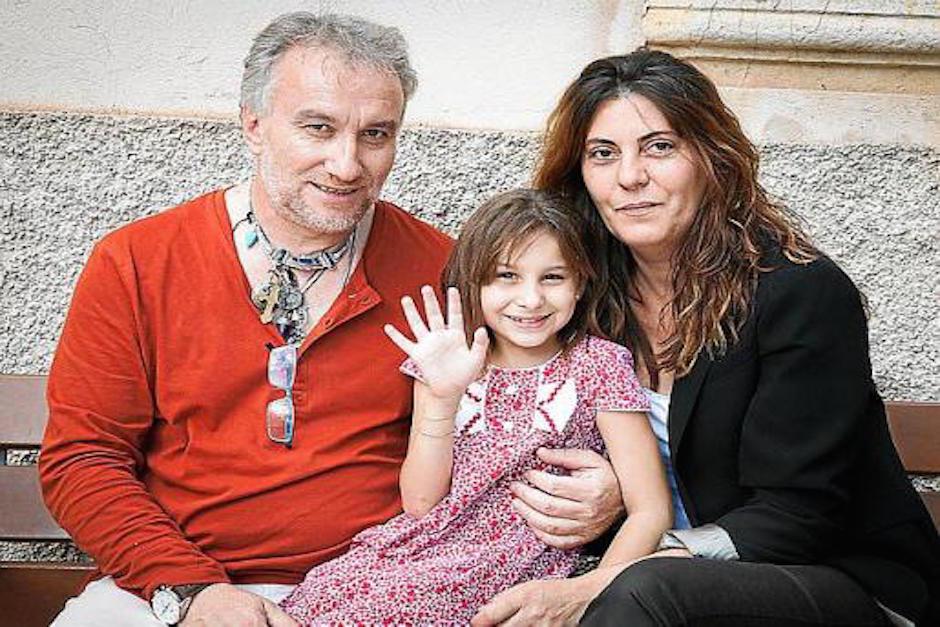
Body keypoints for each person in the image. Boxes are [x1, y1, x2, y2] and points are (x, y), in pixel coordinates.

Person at [39, 12, 623, 627]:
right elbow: (84, 459)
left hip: (390, 586)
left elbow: (524, 407)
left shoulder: (444, 270)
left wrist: (608, 495)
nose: (347, 165)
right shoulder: (137, 262)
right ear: (254, 125)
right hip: (171, 587)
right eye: (318, 128)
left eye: (376, 135)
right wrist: (189, 593)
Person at [472, 49, 940, 627]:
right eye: (602, 154)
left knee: (643, 593)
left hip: (834, 581)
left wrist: (617, 568)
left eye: (659, 147)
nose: (630, 176)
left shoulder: (799, 294)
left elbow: (800, 514)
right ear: (579, 176)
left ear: (710, 157)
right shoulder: (580, 300)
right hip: (647, 575)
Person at [279, 189, 672, 625]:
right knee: (324, 594)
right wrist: (442, 399)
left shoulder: (598, 364)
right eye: (506, 276)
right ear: (475, 282)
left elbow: (650, 508)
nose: (530, 299)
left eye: (553, 278)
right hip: (424, 545)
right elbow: (420, 502)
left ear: (580, 283)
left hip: (519, 563)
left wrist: (589, 596)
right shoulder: (447, 359)